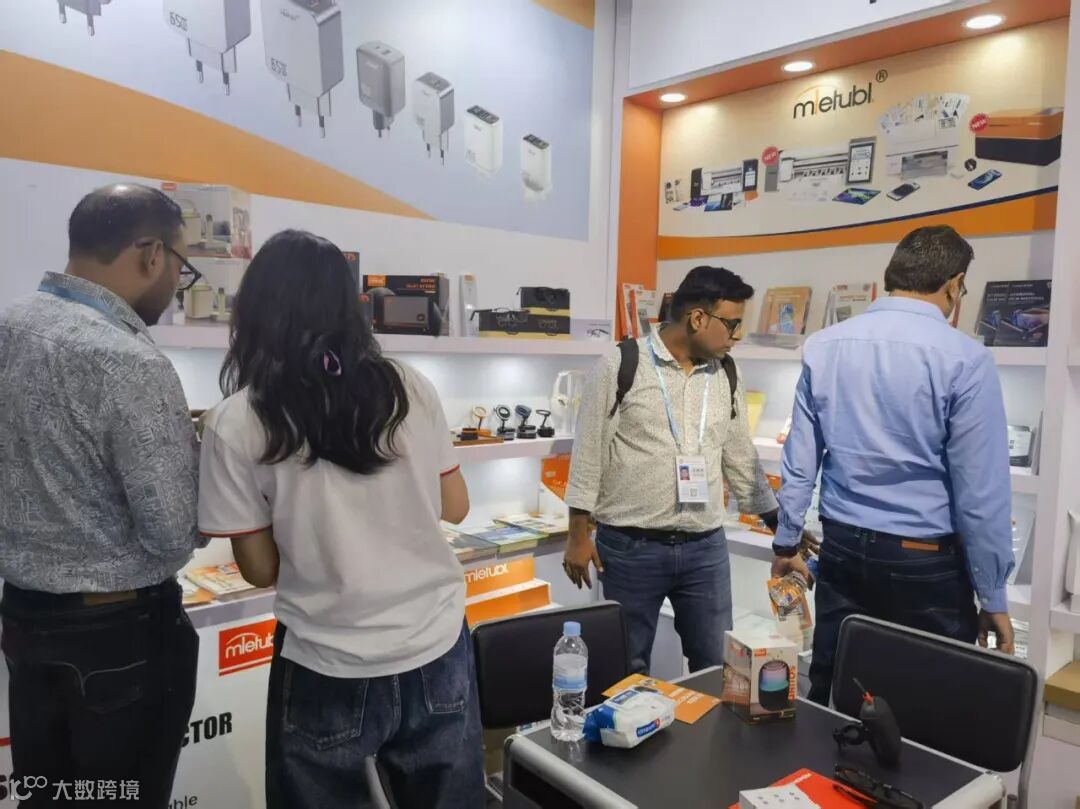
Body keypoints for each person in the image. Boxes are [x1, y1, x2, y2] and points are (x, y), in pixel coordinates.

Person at [197, 230, 484, 809]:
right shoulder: (410, 387)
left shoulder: (234, 420)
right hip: (436, 648)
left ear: (256, 310)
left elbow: (258, 570)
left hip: (326, 660)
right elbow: (455, 507)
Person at [0, 184, 202, 805]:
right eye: (181, 264)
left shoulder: (8, 327)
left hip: (25, 621)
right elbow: (170, 532)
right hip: (119, 638)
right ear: (150, 253)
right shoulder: (128, 360)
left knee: (48, 797)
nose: (177, 282)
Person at [772, 225, 1016, 705]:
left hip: (841, 546)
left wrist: (785, 540)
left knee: (837, 686)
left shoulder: (824, 345)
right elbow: (981, 494)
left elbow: (800, 457)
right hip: (924, 559)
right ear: (954, 284)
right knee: (927, 703)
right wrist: (993, 595)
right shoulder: (966, 359)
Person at [564, 266, 787, 674]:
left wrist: (781, 530)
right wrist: (578, 535)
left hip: (706, 549)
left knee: (717, 666)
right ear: (698, 318)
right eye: (732, 324)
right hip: (630, 548)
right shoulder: (622, 363)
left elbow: (741, 457)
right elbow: (589, 451)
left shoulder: (726, 373)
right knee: (625, 669)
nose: (737, 336)